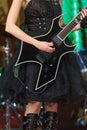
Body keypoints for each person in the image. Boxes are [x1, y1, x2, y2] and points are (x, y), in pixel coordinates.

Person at [0, 0, 87, 130]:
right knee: (35, 101)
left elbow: (60, 27)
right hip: (34, 53)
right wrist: (37, 44)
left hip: (55, 53)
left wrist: (81, 22)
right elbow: (10, 27)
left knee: (52, 103)